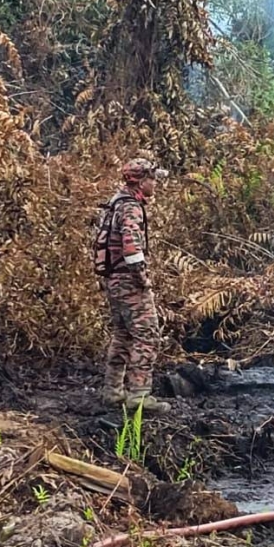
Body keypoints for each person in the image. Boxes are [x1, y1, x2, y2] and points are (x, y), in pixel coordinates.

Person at [96, 157, 171, 413]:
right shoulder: (131, 208)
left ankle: (113, 391)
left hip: (113, 280)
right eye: (152, 179)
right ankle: (139, 395)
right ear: (141, 181)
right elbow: (131, 246)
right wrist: (142, 279)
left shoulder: (115, 203)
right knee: (148, 335)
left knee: (122, 335)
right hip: (128, 281)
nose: (155, 184)